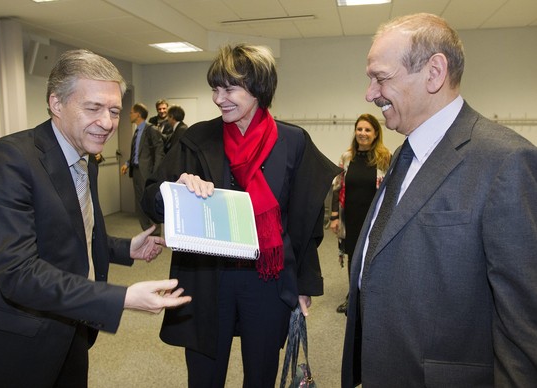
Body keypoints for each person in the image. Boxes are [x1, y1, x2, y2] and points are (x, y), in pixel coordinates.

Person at [0, 49, 191, 387]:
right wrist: (121, 298)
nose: (107, 123)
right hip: (10, 341)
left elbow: (69, 231)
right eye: (93, 108)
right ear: (56, 103)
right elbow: (18, 272)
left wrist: (124, 248)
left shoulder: (85, 157)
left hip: (70, 329)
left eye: (113, 111)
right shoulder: (7, 161)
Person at [341, 13, 537, 387]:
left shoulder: (506, 161)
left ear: (434, 72)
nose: (369, 93)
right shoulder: (404, 153)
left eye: (381, 78)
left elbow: (525, 328)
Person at [142, 43, 340, 387]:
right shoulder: (197, 137)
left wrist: (304, 284)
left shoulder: (293, 141)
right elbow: (150, 200)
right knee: (205, 376)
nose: (219, 98)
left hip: (267, 278)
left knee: (261, 375)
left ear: (258, 88)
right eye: (215, 89)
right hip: (206, 278)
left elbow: (305, 223)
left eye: (229, 88)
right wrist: (175, 190)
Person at [330, 114, 390, 314]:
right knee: (353, 257)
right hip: (352, 217)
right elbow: (337, 187)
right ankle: (353, 298)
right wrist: (334, 217)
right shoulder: (347, 158)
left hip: (374, 218)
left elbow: (391, 190)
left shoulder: (384, 158)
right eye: (359, 129)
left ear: (375, 134)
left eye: (367, 130)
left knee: (371, 257)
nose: (362, 133)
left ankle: (370, 297)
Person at [121, 103, 165, 234]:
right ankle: (147, 231)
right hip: (136, 171)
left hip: (147, 173)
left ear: (138, 114)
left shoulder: (151, 129)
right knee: (140, 202)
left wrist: (155, 172)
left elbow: (159, 152)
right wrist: (127, 164)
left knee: (149, 201)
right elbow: (137, 152)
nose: (129, 115)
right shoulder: (137, 131)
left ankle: (155, 232)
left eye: (131, 112)